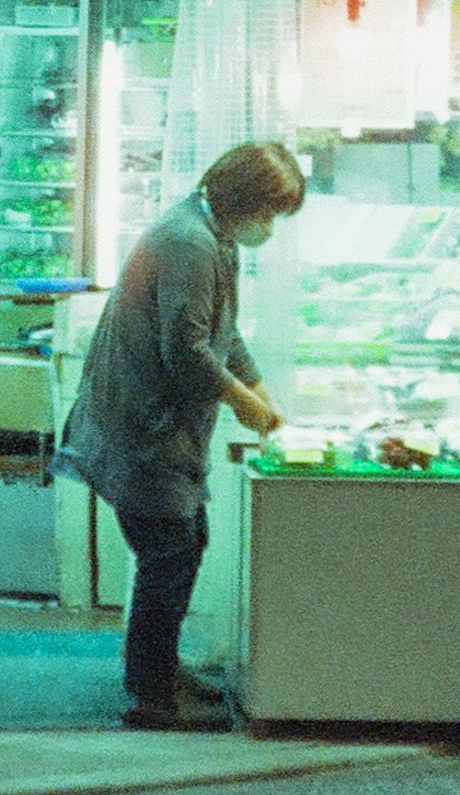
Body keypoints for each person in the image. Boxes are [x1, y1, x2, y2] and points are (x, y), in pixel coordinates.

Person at [56, 141, 304, 728]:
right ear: (241, 201)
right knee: (168, 554)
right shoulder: (188, 242)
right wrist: (244, 403)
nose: (269, 228)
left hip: (158, 429)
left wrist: (260, 388)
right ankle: (151, 694)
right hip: (143, 428)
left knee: (184, 545)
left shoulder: (211, 236)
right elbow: (186, 350)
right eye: (267, 214)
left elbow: (223, 331)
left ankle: (160, 670)